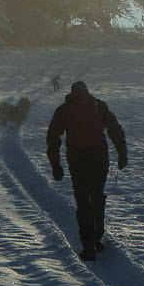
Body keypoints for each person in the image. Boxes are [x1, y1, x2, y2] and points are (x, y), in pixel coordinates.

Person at [46, 80, 127, 259]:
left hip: (78, 159)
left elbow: (53, 138)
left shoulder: (64, 110)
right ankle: (97, 239)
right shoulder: (99, 105)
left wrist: (56, 165)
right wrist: (122, 154)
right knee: (97, 196)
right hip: (100, 157)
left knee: (83, 201)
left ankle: (88, 247)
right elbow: (115, 129)